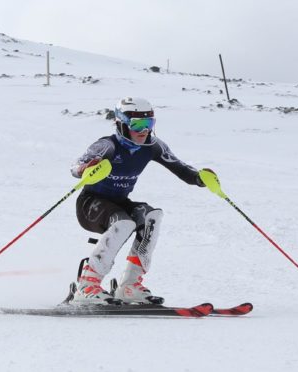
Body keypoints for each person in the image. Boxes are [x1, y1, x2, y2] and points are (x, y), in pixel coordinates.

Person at [70, 97, 212, 305]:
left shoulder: (153, 146)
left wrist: (200, 178)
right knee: (124, 222)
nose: (144, 130)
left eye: (149, 124)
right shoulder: (107, 145)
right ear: (121, 124)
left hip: (119, 203)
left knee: (152, 216)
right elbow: (76, 167)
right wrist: (85, 168)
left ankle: (130, 286)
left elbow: (180, 168)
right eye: (137, 124)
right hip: (90, 204)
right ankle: (87, 285)